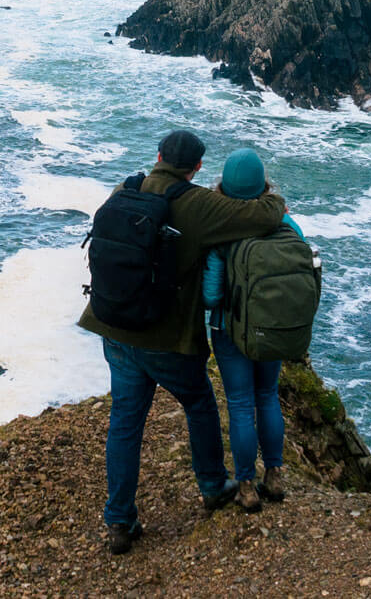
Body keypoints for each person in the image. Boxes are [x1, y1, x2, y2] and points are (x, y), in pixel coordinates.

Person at [78, 129, 290, 555]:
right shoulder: (196, 205)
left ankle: (120, 521)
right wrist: (271, 194)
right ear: (196, 168)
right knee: (199, 404)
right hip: (165, 340)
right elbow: (265, 215)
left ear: (157, 156)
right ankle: (213, 486)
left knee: (125, 422)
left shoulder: (127, 187)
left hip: (115, 329)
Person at [202, 147, 301, 513]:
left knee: (241, 404)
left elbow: (211, 295)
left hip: (231, 332)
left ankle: (246, 485)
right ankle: (274, 475)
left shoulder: (220, 232)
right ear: (264, 186)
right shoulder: (286, 224)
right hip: (272, 328)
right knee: (268, 395)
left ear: (223, 188)